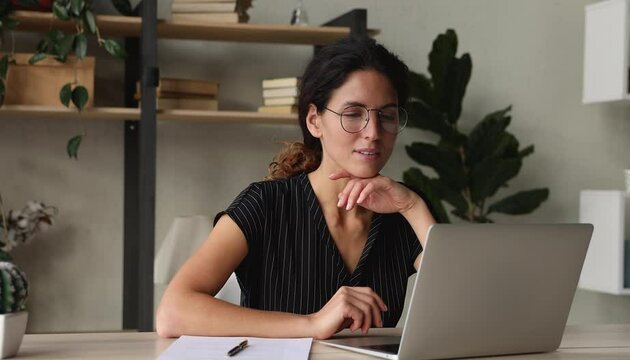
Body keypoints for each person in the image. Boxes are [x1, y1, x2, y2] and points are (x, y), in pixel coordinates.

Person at [156, 37, 436, 340]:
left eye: (386, 115)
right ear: (315, 121)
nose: (373, 132)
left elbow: (470, 308)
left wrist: (413, 207)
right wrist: (312, 324)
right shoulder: (264, 204)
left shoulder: (404, 210)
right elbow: (173, 313)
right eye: (353, 114)